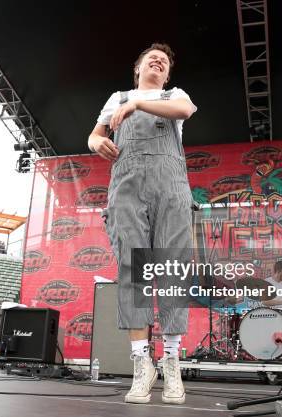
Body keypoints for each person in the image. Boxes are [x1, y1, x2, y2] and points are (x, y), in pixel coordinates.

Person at [88, 43, 196, 404]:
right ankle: (141, 363)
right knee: (133, 271)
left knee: (171, 272)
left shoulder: (172, 95)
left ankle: (171, 361)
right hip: (128, 187)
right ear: (137, 68)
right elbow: (96, 134)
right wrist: (96, 142)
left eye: (164, 62)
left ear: (167, 74)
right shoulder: (116, 97)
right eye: (152, 58)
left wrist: (137, 104)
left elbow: (185, 109)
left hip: (171, 189)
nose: (159, 61)